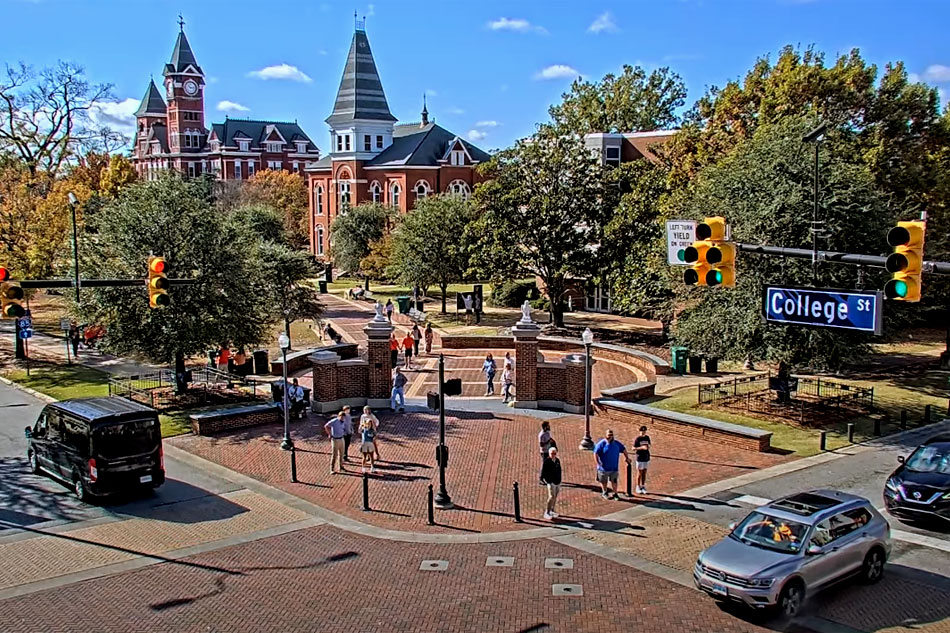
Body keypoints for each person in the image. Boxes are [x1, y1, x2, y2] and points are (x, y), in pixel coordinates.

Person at [594, 429, 631, 500]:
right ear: (606, 435)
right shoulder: (601, 444)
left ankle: (615, 493)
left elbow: (623, 449)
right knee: (604, 481)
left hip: (614, 467)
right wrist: (598, 463)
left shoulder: (616, 443)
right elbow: (595, 453)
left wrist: (627, 458)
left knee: (614, 481)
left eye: (611, 435)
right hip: (603, 468)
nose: (610, 437)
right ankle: (604, 492)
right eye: (608, 435)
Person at [540, 446, 562, 520]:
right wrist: (548, 481)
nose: (553, 455)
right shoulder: (547, 462)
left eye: (555, 453)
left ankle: (552, 510)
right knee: (551, 496)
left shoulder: (557, 461)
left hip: (557, 481)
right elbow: (543, 473)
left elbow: (559, 470)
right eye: (552, 453)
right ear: (549, 454)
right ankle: (547, 511)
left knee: (555, 496)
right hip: (551, 482)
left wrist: (559, 479)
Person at [633, 425, 652, 494]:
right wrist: (641, 448)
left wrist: (647, 447)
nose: (643, 432)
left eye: (644, 431)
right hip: (640, 457)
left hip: (646, 457)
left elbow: (649, 445)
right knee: (639, 472)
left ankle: (643, 486)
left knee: (644, 472)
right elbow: (633, 448)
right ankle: (638, 486)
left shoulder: (647, 438)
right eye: (642, 431)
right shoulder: (638, 439)